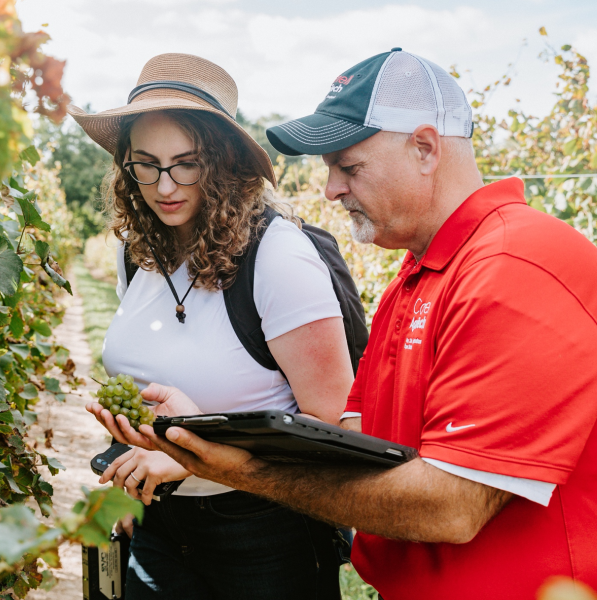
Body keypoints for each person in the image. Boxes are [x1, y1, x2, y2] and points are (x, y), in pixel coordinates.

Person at [140, 49, 597, 599]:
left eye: (348, 166)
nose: (331, 189)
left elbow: (452, 506)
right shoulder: (423, 271)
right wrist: (211, 430)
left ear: (425, 148)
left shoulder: (515, 268)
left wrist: (241, 471)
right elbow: (361, 440)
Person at [71, 53, 355, 600]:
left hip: (262, 536)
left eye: (187, 162)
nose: (164, 185)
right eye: (146, 164)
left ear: (223, 161)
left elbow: (333, 431)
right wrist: (128, 471)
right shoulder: (138, 252)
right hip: (159, 523)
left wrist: (189, 456)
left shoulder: (277, 257)